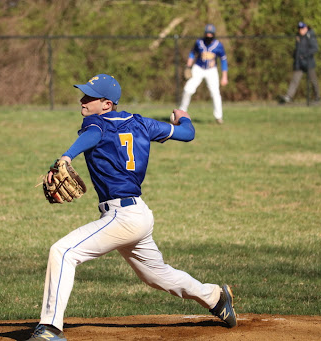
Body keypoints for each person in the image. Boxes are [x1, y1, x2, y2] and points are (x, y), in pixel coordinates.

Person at [26, 74, 237, 340]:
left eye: (89, 96)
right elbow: (187, 134)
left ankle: (50, 329)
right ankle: (216, 297)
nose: (82, 100)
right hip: (138, 214)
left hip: (122, 217)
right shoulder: (141, 123)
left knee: (63, 252)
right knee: (157, 276)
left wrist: (68, 155)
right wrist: (183, 117)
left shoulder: (96, 123)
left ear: (106, 104)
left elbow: (92, 136)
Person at [180, 24, 228, 124]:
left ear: (214, 35)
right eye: (207, 33)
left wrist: (224, 76)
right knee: (188, 90)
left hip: (211, 70)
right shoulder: (199, 42)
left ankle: (218, 117)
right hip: (198, 68)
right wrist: (189, 65)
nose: (209, 35)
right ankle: (181, 114)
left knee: (215, 93)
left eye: (211, 34)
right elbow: (192, 53)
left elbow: (223, 60)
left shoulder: (218, 45)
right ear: (205, 33)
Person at [278, 21, 320, 104]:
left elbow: (315, 48)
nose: (301, 30)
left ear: (306, 28)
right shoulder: (298, 37)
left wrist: (305, 55)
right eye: (299, 28)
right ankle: (289, 96)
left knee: (313, 81)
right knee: (295, 80)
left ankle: (317, 97)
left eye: (302, 28)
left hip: (308, 63)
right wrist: (295, 56)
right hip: (299, 64)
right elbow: (297, 50)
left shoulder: (310, 36)